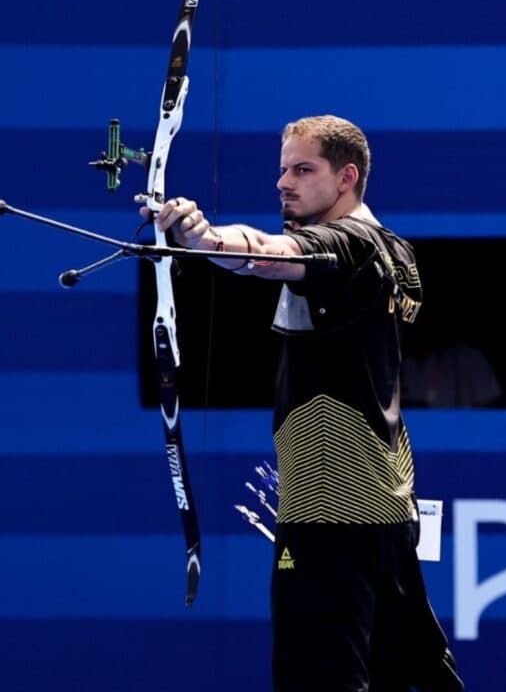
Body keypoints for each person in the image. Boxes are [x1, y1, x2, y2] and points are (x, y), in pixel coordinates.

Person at [148, 114, 463, 692]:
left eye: (302, 169)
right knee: (416, 679)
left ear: (347, 178)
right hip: (388, 509)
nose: (283, 183)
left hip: (330, 517)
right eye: (281, 169)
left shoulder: (345, 245)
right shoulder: (400, 254)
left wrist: (203, 239)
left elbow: (265, 252)